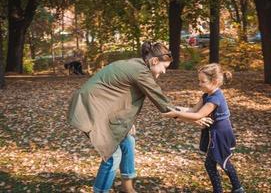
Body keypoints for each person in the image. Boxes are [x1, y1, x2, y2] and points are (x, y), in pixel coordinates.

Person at [67, 41, 213, 193]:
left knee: (128, 140)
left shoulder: (138, 66)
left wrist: (127, 122)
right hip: (89, 109)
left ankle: (127, 187)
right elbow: (164, 105)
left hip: (101, 108)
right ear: (155, 61)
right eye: (164, 67)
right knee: (112, 155)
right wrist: (194, 118)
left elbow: (120, 95)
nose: (163, 72)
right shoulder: (141, 72)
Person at [164, 63, 244, 193]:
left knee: (219, 162)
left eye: (203, 81)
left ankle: (235, 189)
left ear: (215, 81)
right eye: (199, 81)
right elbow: (193, 110)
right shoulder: (207, 95)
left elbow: (198, 115)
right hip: (214, 133)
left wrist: (177, 114)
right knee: (214, 163)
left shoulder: (215, 98)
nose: (199, 84)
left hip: (221, 134)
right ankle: (234, 188)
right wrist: (175, 108)